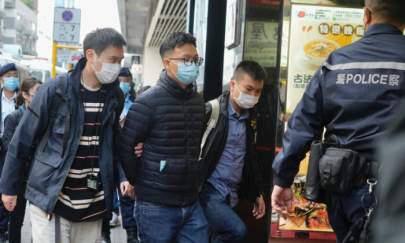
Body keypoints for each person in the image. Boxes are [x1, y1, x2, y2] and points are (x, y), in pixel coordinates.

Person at [271, 0, 405, 242]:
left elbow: (302, 125)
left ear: (366, 15)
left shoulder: (336, 62)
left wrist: (283, 178)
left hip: (344, 189)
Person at [0, 28, 133, 243]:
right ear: (91, 55)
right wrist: (8, 188)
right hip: (51, 199)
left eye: (120, 60)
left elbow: (113, 144)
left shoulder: (114, 96)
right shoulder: (55, 91)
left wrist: (124, 177)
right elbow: (22, 140)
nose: (117, 67)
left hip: (93, 203)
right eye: (113, 60)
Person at [120, 32, 208, 243]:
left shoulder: (198, 102)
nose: (193, 65)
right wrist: (139, 183)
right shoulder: (147, 103)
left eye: (196, 60)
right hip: (155, 205)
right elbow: (126, 149)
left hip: (191, 201)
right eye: (186, 60)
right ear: (167, 62)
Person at [199, 61, 266, 242]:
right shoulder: (212, 112)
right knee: (237, 231)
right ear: (233, 84)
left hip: (232, 194)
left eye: (258, 91)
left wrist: (257, 193)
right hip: (210, 190)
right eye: (248, 89)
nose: (253, 95)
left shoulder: (251, 118)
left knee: (214, 235)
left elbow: (251, 159)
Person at [2, 78, 41, 243]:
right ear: (25, 95)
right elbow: (11, 149)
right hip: (19, 178)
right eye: (37, 93)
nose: (41, 97)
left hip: (38, 178)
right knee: (16, 221)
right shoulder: (13, 118)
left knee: (39, 223)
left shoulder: (45, 117)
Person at [101, 67, 138, 243]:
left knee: (126, 192)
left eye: (127, 80)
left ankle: (131, 232)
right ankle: (105, 231)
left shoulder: (137, 102)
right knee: (105, 194)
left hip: (127, 152)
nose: (124, 83)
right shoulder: (106, 100)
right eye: (121, 80)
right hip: (108, 153)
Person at [0, 63, 20, 242]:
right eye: (8, 75)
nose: (12, 78)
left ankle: (4, 228)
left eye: (15, 75)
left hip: (13, 153)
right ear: (1, 79)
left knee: (8, 188)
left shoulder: (20, 100)